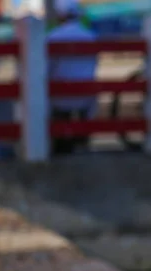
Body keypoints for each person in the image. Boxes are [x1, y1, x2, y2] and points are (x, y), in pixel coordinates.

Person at [47, 0, 98, 155]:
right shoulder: (90, 36)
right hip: (86, 97)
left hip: (60, 97)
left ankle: (61, 146)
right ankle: (82, 142)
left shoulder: (52, 37)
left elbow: (46, 69)